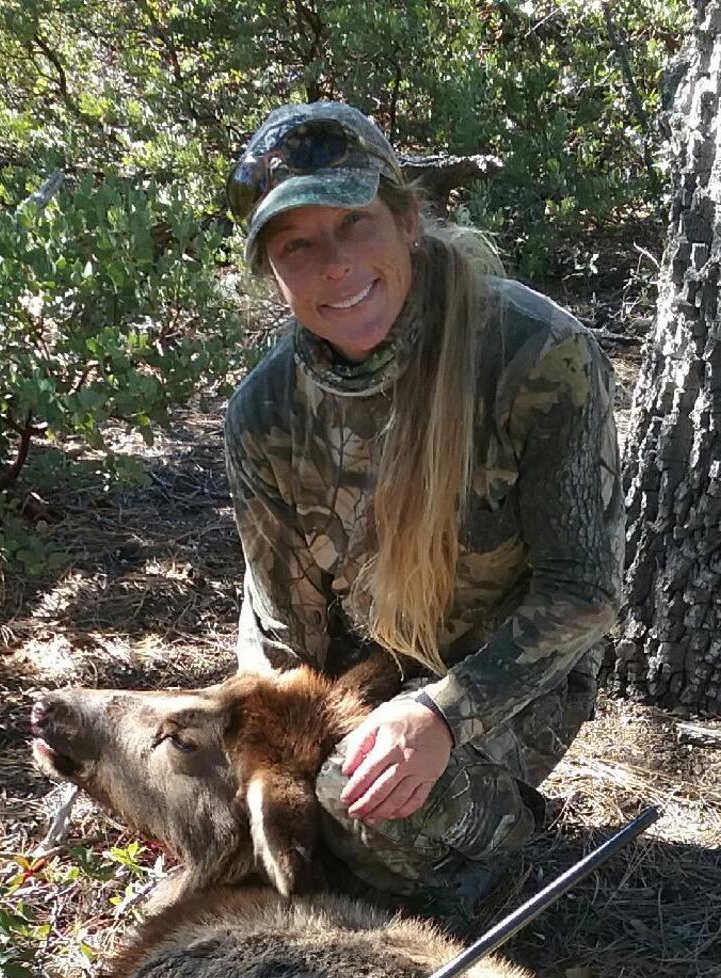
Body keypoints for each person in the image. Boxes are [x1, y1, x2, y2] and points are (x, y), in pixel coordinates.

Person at [224, 102, 624, 927]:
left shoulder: (537, 355)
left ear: (406, 219)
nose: (335, 264)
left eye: (353, 223)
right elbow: (282, 636)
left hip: (509, 672)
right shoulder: (262, 414)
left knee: (363, 809)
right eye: (297, 244)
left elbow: (583, 592)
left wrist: (443, 714)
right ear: (273, 271)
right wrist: (261, 765)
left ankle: (497, 836)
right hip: (361, 671)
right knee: (235, 789)